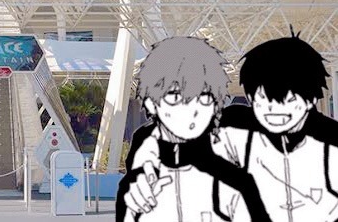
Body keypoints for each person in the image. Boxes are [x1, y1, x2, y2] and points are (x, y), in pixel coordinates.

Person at [123, 31, 338, 222]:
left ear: (310, 100)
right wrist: (144, 164)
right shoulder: (237, 126)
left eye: (290, 100)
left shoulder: (328, 140)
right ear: (251, 98)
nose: (275, 110)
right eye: (264, 98)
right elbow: (170, 133)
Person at [115, 36, 270, 222]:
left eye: (204, 97)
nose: (192, 110)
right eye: (175, 97)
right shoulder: (143, 153)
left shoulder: (232, 174)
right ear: (151, 103)